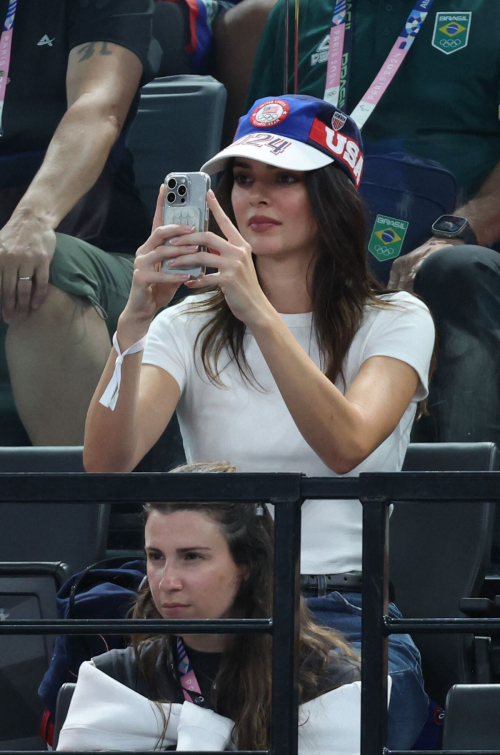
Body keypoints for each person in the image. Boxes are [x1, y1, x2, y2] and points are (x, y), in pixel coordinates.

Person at [84, 94, 435, 748]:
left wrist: (257, 311)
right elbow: (107, 461)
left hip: (342, 608)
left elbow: (347, 444)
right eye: (244, 179)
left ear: (333, 194)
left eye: (285, 180)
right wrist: (133, 319)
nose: (256, 197)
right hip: (215, 610)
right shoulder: (184, 325)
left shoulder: (397, 318)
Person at [245, 0, 500, 449]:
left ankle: (461, 505)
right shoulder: (299, 12)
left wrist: (457, 232)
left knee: (455, 272)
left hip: (454, 240)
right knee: (203, 281)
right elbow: (256, 147)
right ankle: (193, 505)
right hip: (316, 236)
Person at [57, 461, 370, 754]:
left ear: (247, 564)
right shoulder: (113, 681)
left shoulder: (331, 686)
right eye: (156, 557)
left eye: (192, 557)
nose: (167, 582)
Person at [0, 0, 192, 446]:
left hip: (96, 243)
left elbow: (99, 106)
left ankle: (75, 511)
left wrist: (33, 217)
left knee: (41, 267)